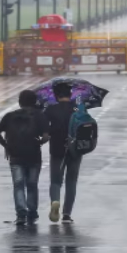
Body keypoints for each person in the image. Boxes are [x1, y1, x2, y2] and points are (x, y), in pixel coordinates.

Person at [0, 90, 49, 226]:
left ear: (20, 102)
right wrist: (40, 142)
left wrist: (6, 145)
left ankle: (21, 214)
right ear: (34, 101)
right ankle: (32, 212)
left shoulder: (9, 116)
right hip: (34, 155)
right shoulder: (39, 116)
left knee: (18, 185)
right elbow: (47, 136)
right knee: (32, 184)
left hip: (15, 155)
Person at [43, 83, 81, 224]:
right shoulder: (77, 109)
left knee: (56, 181)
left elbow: (45, 130)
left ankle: (55, 201)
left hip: (57, 148)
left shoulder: (50, 110)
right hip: (76, 149)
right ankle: (67, 214)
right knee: (71, 182)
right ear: (70, 94)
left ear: (56, 95)